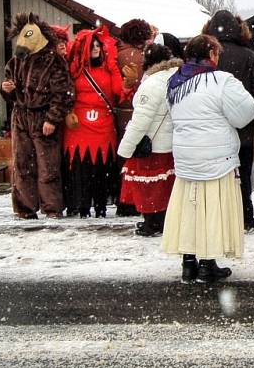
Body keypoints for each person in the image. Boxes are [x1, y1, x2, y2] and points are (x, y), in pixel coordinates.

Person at [161, 35, 254, 284]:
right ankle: (207, 264)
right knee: (212, 210)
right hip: (216, 158)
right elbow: (245, 113)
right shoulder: (221, 81)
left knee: (189, 211)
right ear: (212, 54)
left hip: (186, 157)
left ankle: (188, 262)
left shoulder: (175, 82)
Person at [1, 13, 73, 219]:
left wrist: (52, 118)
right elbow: (11, 93)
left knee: (48, 165)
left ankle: (52, 207)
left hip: (43, 116)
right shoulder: (15, 63)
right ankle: (25, 207)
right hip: (21, 116)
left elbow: (64, 94)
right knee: (22, 164)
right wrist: (7, 89)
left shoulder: (54, 62)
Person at [202, 10, 254, 231]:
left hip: (212, 127)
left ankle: (218, 216)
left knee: (216, 173)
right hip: (244, 128)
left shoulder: (207, 54)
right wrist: (250, 111)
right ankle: (244, 215)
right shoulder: (248, 55)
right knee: (243, 171)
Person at [63, 26, 133, 218]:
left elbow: (120, 91)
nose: (96, 49)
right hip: (78, 127)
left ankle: (101, 206)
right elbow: (65, 92)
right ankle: (82, 206)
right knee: (82, 169)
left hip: (103, 126)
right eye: (92, 46)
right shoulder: (75, 69)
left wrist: (128, 83)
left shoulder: (110, 69)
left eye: (98, 46)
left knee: (101, 170)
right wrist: (68, 111)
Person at [117, 44, 181, 237]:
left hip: (152, 146)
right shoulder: (177, 78)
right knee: (166, 187)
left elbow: (140, 121)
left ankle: (152, 223)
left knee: (149, 189)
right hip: (172, 144)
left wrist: (125, 149)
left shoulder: (152, 84)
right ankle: (164, 222)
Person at [114, 19, 150, 217]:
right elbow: (140, 86)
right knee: (134, 158)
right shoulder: (137, 56)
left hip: (119, 112)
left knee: (124, 156)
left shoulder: (118, 54)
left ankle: (124, 200)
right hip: (133, 112)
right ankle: (131, 201)